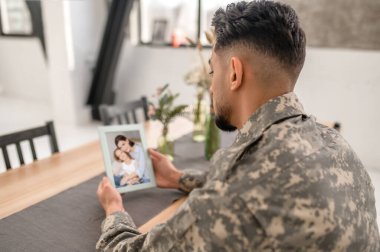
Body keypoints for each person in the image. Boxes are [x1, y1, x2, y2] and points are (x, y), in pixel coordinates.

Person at [96, 1, 380, 251]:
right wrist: (179, 178)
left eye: (212, 69)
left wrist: (114, 208)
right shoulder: (337, 146)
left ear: (234, 73)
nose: (210, 85)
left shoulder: (232, 199)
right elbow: (272, 185)